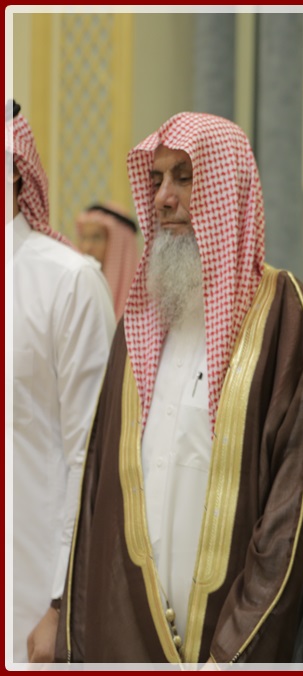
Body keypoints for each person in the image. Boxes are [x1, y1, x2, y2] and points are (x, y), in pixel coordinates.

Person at [55, 112, 303, 664]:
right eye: (156, 180)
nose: (164, 198)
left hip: (232, 650)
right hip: (129, 644)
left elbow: (297, 512)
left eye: (185, 178)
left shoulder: (285, 319)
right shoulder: (139, 323)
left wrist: (233, 652)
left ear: (228, 188)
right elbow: (98, 497)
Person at [7, 100, 116, 664]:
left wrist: (60, 602)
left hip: (31, 599)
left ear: (15, 170)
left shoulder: (68, 281)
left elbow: (90, 457)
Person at [75, 202, 141, 320]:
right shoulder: (77, 286)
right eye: (83, 237)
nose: (86, 247)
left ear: (119, 245)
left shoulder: (145, 295)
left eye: (96, 238)